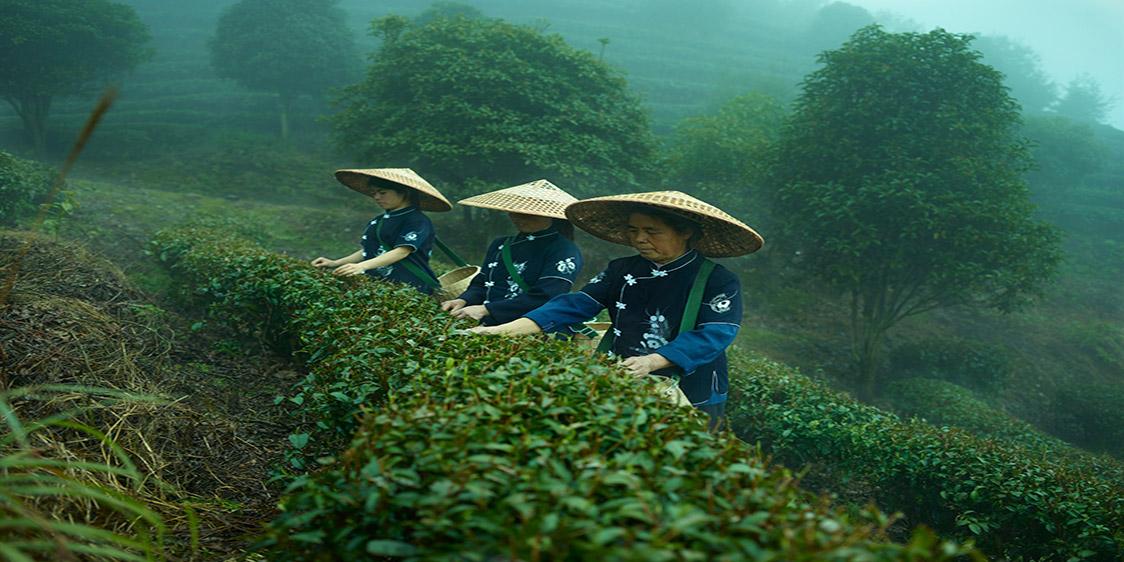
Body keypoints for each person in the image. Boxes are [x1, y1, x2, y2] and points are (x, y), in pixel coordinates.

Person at [470, 191, 763, 429]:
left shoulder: (716, 279)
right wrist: (499, 331)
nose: (639, 239)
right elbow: (574, 305)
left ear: (684, 231)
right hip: (624, 376)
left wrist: (652, 361)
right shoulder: (622, 269)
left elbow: (715, 334)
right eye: (633, 230)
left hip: (691, 389)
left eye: (652, 231)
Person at [440, 180, 584, 326]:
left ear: (550, 215)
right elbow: (482, 283)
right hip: (483, 324)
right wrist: (463, 300)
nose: (517, 218)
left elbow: (546, 297)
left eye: (527, 214)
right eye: (515, 212)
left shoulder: (564, 250)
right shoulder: (501, 244)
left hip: (527, 329)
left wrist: (487, 309)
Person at [311, 168, 453, 295]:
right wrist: (334, 263)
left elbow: (402, 251)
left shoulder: (416, 220)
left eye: (383, 192)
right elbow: (369, 250)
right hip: (380, 286)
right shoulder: (379, 220)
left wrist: (362, 266)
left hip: (409, 288)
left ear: (404, 193)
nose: (377, 197)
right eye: (374, 193)